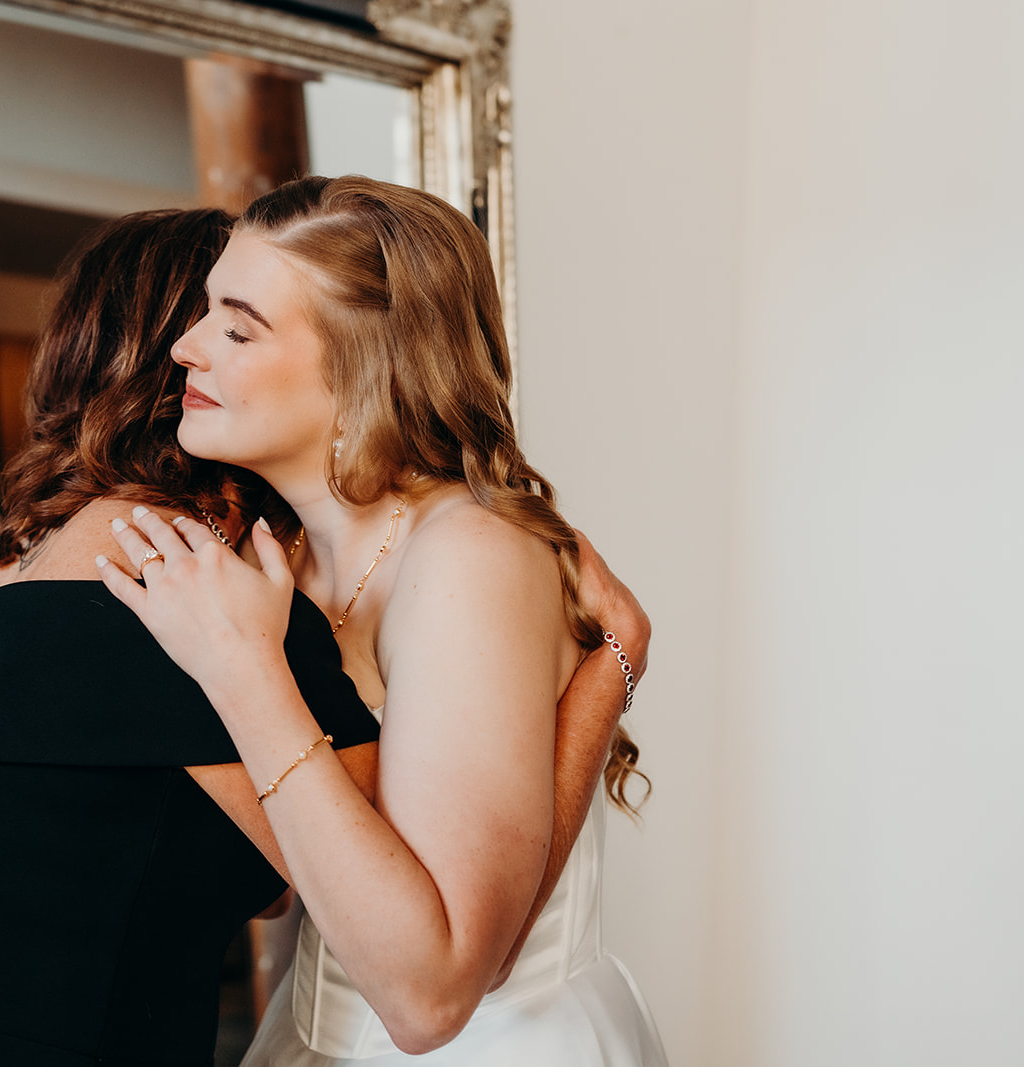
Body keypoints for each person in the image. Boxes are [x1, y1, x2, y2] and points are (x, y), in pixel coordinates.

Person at [93, 176, 668, 1065]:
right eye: (205, 312)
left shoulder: (466, 555)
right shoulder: (269, 548)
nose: (185, 347)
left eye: (237, 327)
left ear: (365, 366)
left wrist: (245, 675)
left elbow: (434, 997)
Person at [0, 207, 384, 1066]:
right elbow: (366, 905)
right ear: (179, 354)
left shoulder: (25, 557)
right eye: (227, 323)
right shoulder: (181, 575)